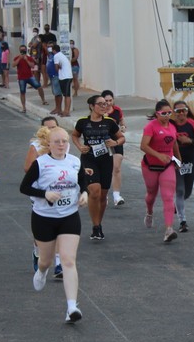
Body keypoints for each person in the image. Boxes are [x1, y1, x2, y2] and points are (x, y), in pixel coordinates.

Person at [20, 126, 89, 324]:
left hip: (69, 216)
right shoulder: (40, 163)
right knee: (46, 260)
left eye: (64, 141)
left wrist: (84, 194)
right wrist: (45, 194)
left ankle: (72, 307)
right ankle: (42, 271)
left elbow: (82, 181)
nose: (61, 145)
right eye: (57, 141)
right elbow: (24, 187)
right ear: (48, 144)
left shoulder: (75, 161)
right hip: (44, 218)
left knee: (68, 260)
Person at [71, 95, 125, 241]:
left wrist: (115, 143)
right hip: (89, 158)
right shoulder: (83, 122)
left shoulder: (109, 122)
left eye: (105, 104)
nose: (104, 106)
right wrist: (79, 146)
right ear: (91, 106)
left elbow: (121, 137)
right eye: (100, 104)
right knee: (94, 191)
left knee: (102, 194)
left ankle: (98, 224)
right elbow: (75, 135)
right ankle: (95, 226)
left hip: (105, 159)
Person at [24, 116, 63, 278]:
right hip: (40, 192)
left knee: (60, 226)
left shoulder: (63, 144)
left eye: (54, 127)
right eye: (48, 128)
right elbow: (27, 168)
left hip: (59, 191)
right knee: (43, 229)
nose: (51, 130)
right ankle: (37, 250)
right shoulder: (36, 146)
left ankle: (59, 264)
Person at [140, 100, 182, 242]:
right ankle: (149, 212)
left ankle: (169, 229)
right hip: (150, 166)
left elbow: (174, 143)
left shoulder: (172, 126)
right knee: (151, 194)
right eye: (164, 113)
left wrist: (178, 160)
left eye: (169, 113)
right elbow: (143, 146)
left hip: (167, 166)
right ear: (157, 114)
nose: (167, 116)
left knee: (168, 196)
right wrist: (158, 155)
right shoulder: (150, 127)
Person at [172, 100, 194, 232]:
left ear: (187, 111)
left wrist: (189, 140)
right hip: (176, 162)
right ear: (174, 112)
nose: (181, 113)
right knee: (180, 190)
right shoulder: (171, 125)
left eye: (184, 110)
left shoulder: (193, 124)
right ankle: (183, 221)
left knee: (187, 191)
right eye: (178, 111)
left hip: (190, 162)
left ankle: (177, 205)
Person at [103, 90, 127, 207]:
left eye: (110, 100)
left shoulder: (117, 110)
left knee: (116, 168)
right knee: (105, 168)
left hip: (117, 140)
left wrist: (123, 126)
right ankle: (104, 195)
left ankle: (117, 196)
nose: (108, 103)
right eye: (106, 101)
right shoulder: (99, 111)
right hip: (103, 142)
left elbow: (122, 121)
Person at [13, 44, 48, 112]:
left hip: (30, 76)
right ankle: (24, 107)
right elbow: (13, 65)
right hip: (21, 78)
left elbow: (32, 66)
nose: (23, 51)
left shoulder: (29, 58)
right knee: (22, 92)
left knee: (39, 87)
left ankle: (43, 100)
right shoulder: (17, 57)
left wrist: (26, 60)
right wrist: (19, 58)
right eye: (21, 50)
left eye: (24, 50)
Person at [53, 44, 73, 116]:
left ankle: (67, 111)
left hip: (65, 77)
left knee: (67, 94)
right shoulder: (61, 55)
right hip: (66, 76)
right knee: (65, 94)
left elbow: (56, 68)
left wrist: (58, 67)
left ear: (54, 50)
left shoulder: (56, 56)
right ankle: (65, 110)